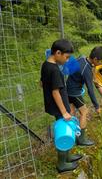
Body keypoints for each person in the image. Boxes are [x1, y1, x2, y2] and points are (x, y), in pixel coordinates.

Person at [40, 39, 81, 173]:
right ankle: (62, 164)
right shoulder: (55, 70)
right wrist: (64, 112)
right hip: (60, 107)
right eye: (67, 57)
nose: (68, 60)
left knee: (66, 130)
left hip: (54, 105)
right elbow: (55, 92)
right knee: (63, 134)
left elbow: (42, 83)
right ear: (58, 53)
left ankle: (68, 156)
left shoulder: (46, 65)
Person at [66, 46, 102, 146]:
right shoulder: (86, 70)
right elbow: (90, 91)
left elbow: (89, 67)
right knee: (84, 111)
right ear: (95, 59)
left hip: (67, 88)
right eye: (101, 62)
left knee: (71, 113)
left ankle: (70, 136)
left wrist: (94, 78)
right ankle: (81, 139)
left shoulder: (82, 57)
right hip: (74, 92)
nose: (101, 64)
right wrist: (97, 106)